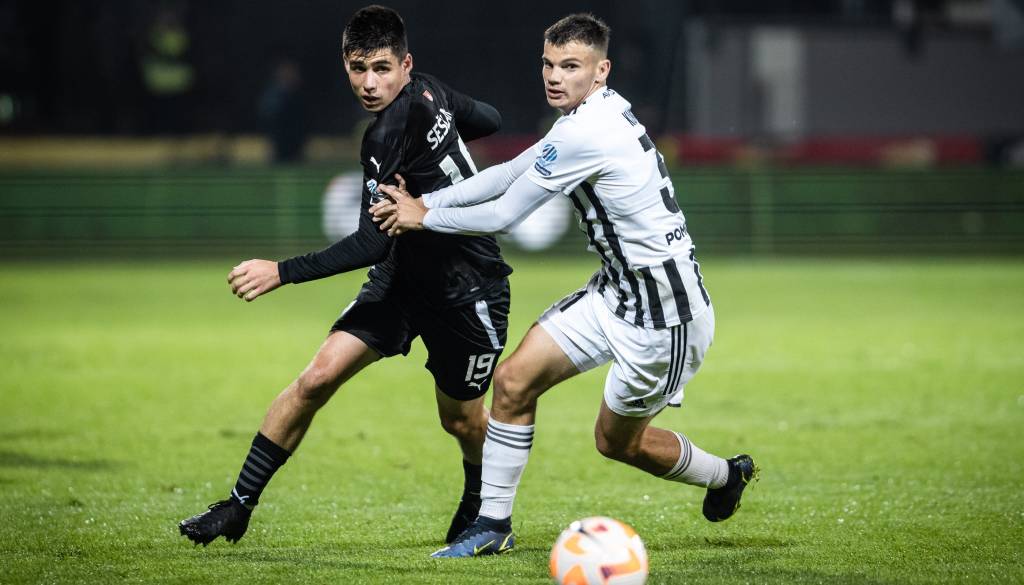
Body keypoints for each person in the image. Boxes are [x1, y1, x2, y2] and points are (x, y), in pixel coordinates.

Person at [371, 13, 756, 558]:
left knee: (616, 443)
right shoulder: (591, 113)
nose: (554, 76)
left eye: (570, 66)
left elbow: (505, 214)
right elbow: (509, 172)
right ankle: (492, 525)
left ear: (601, 70)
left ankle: (725, 475)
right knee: (513, 382)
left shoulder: (587, 131)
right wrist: (426, 201)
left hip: (664, 317)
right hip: (616, 293)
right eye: (548, 64)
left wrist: (424, 218)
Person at [178, 5, 512, 547]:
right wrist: (441, 144)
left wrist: (280, 271)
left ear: (405, 64)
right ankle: (238, 505)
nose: (369, 83)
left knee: (461, 420)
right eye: (359, 69)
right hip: (402, 279)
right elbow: (491, 119)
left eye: (382, 68)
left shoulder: (386, 133)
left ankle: (481, 505)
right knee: (316, 379)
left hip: (467, 288)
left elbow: (369, 243)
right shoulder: (430, 90)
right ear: (346, 65)